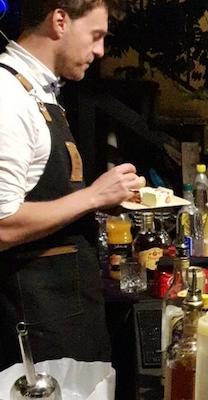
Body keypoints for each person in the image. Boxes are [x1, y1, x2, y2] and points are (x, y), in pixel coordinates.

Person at [0, 0, 145, 370]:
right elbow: (2, 225)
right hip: (33, 340)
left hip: (62, 320)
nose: (100, 51)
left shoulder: (39, 91)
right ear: (60, 21)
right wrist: (92, 196)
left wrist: (102, 200)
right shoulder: (7, 96)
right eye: (95, 35)